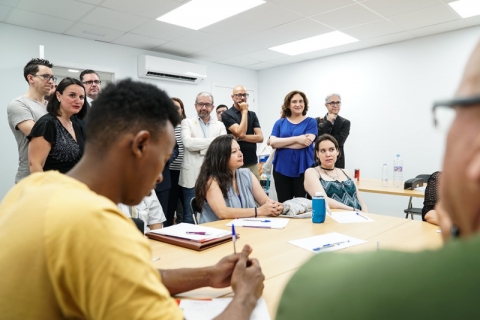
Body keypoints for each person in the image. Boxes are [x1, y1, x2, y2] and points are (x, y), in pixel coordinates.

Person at [0, 79, 265, 319]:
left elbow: (133, 276)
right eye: (162, 159)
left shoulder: (33, 189)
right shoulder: (100, 227)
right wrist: (245, 296)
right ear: (140, 145)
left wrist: (208, 275)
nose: (160, 177)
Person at [276, 42, 480, 319]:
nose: (328, 153)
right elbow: (322, 197)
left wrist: (364, 212)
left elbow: (357, 194)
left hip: (355, 228)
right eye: (322, 150)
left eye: (459, 110)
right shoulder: (312, 166)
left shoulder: (344, 150)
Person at [195, 135, 283, 223]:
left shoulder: (247, 174)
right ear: (221, 157)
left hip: (244, 228)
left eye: (239, 149)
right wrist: (258, 211)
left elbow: (265, 201)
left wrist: (275, 206)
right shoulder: (211, 180)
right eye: (234, 152)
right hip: (217, 232)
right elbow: (222, 212)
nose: (240, 154)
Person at [179, 92, 227, 224]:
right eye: (201, 104)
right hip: (191, 178)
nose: (204, 107)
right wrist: (214, 143)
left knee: (214, 215)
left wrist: (198, 145)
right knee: (189, 217)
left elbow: (223, 146)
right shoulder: (187, 122)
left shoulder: (220, 125)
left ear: (212, 107)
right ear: (195, 105)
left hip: (214, 177)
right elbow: (188, 143)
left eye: (207, 104)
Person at [7, 58, 54, 183]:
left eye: (52, 77)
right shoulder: (19, 104)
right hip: (29, 178)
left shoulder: (51, 106)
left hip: (53, 176)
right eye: (46, 76)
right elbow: (39, 136)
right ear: (31, 78)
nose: (51, 81)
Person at [28, 77, 88, 174]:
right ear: (58, 95)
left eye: (81, 97)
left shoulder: (75, 125)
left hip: (75, 186)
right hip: (53, 187)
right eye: (72, 95)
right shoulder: (47, 123)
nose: (78, 101)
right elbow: (35, 165)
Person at [269, 90, 317, 203]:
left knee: (304, 205)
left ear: (305, 104)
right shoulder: (279, 123)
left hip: (304, 169)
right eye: (294, 101)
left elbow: (306, 143)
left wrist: (281, 143)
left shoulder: (311, 122)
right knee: (285, 205)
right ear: (288, 105)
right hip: (281, 169)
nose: (298, 104)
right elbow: (272, 143)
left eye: (301, 101)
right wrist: (297, 139)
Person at [304, 134, 368, 212]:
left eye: (331, 149)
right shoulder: (312, 172)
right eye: (323, 151)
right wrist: (354, 210)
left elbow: (360, 200)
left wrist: (366, 213)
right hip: (334, 219)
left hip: (359, 217)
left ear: (337, 151)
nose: (328, 154)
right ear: (317, 154)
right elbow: (323, 200)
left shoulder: (346, 172)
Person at [222, 85, 263, 180]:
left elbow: (260, 138)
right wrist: (244, 111)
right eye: (239, 95)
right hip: (235, 163)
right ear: (232, 97)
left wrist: (240, 138)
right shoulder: (227, 114)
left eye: (245, 95)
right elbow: (241, 132)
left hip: (252, 161)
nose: (243, 98)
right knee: (237, 192)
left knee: (255, 192)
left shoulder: (252, 115)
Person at [165, 97, 186, 226]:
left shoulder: (187, 125)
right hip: (170, 172)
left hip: (185, 172)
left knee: (184, 210)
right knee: (169, 207)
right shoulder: (165, 127)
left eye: (177, 107)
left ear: (182, 110)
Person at [316, 93, 350, 168]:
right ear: (326, 105)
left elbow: (339, 142)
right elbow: (317, 138)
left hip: (337, 161)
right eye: (332, 103)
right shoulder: (318, 121)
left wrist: (324, 140)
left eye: (338, 102)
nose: (335, 105)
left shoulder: (345, 122)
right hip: (319, 160)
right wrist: (328, 122)